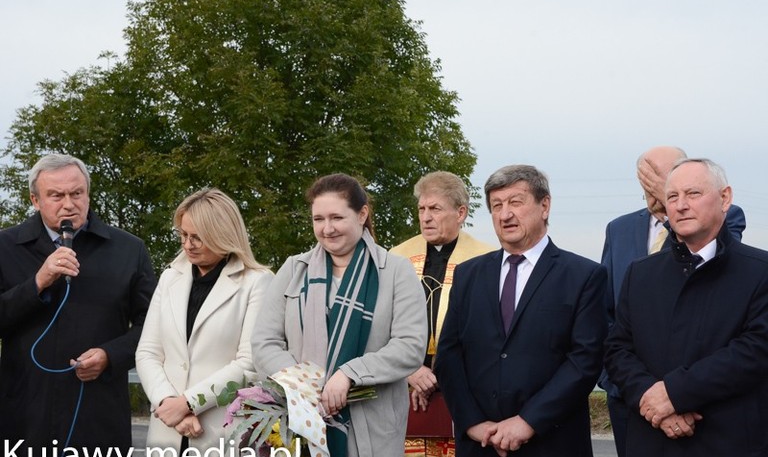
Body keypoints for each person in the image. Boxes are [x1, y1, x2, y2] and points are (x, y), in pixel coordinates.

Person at [434, 165, 608, 457]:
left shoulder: (584, 276)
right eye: (496, 206)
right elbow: (449, 355)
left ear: (544, 205)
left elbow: (585, 361)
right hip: (481, 443)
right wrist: (472, 423)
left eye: (515, 202)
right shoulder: (468, 275)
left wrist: (528, 421)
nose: (505, 215)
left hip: (552, 442)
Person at [251, 173, 427, 457]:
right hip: (303, 421)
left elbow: (410, 346)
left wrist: (349, 374)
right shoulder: (294, 269)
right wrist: (301, 384)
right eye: (318, 219)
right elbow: (264, 342)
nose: (327, 229)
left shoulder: (396, 271)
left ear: (362, 214)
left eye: (337, 218)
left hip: (371, 431)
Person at [604, 158, 768, 456]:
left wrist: (675, 393)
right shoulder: (640, 274)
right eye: (672, 197)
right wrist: (651, 399)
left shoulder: (760, 271)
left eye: (693, 194)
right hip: (651, 439)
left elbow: (756, 350)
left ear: (725, 198)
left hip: (730, 441)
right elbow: (617, 349)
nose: (681, 206)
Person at [0, 154, 157, 452]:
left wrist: (110, 355)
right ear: (35, 200)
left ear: (88, 195)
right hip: (24, 414)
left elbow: (154, 327)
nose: (69, 204)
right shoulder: (5, 247)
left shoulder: (129, 250)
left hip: (98, 413)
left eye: (76, 193)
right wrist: (37, 283)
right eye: (56, 195)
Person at [136, 188, 274, 450]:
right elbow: (148, 352)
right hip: (167, 430)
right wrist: (167, 402)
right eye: (183, 235)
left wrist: (189, 403)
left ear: (223, 234)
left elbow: (250, 363)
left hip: (221, 429)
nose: (188, 245)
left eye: (198, 238)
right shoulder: (169, 277)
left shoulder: (257, 282)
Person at [390, 171, 494, 456]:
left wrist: (442, 375)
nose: (426, 217)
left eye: (435, 209)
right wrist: (410, 370)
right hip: (404, 385)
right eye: (421, 209)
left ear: (461, 213)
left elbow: (490, 333)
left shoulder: (487, 260)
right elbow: (380, 325)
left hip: (466, 389)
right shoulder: (396, 257)